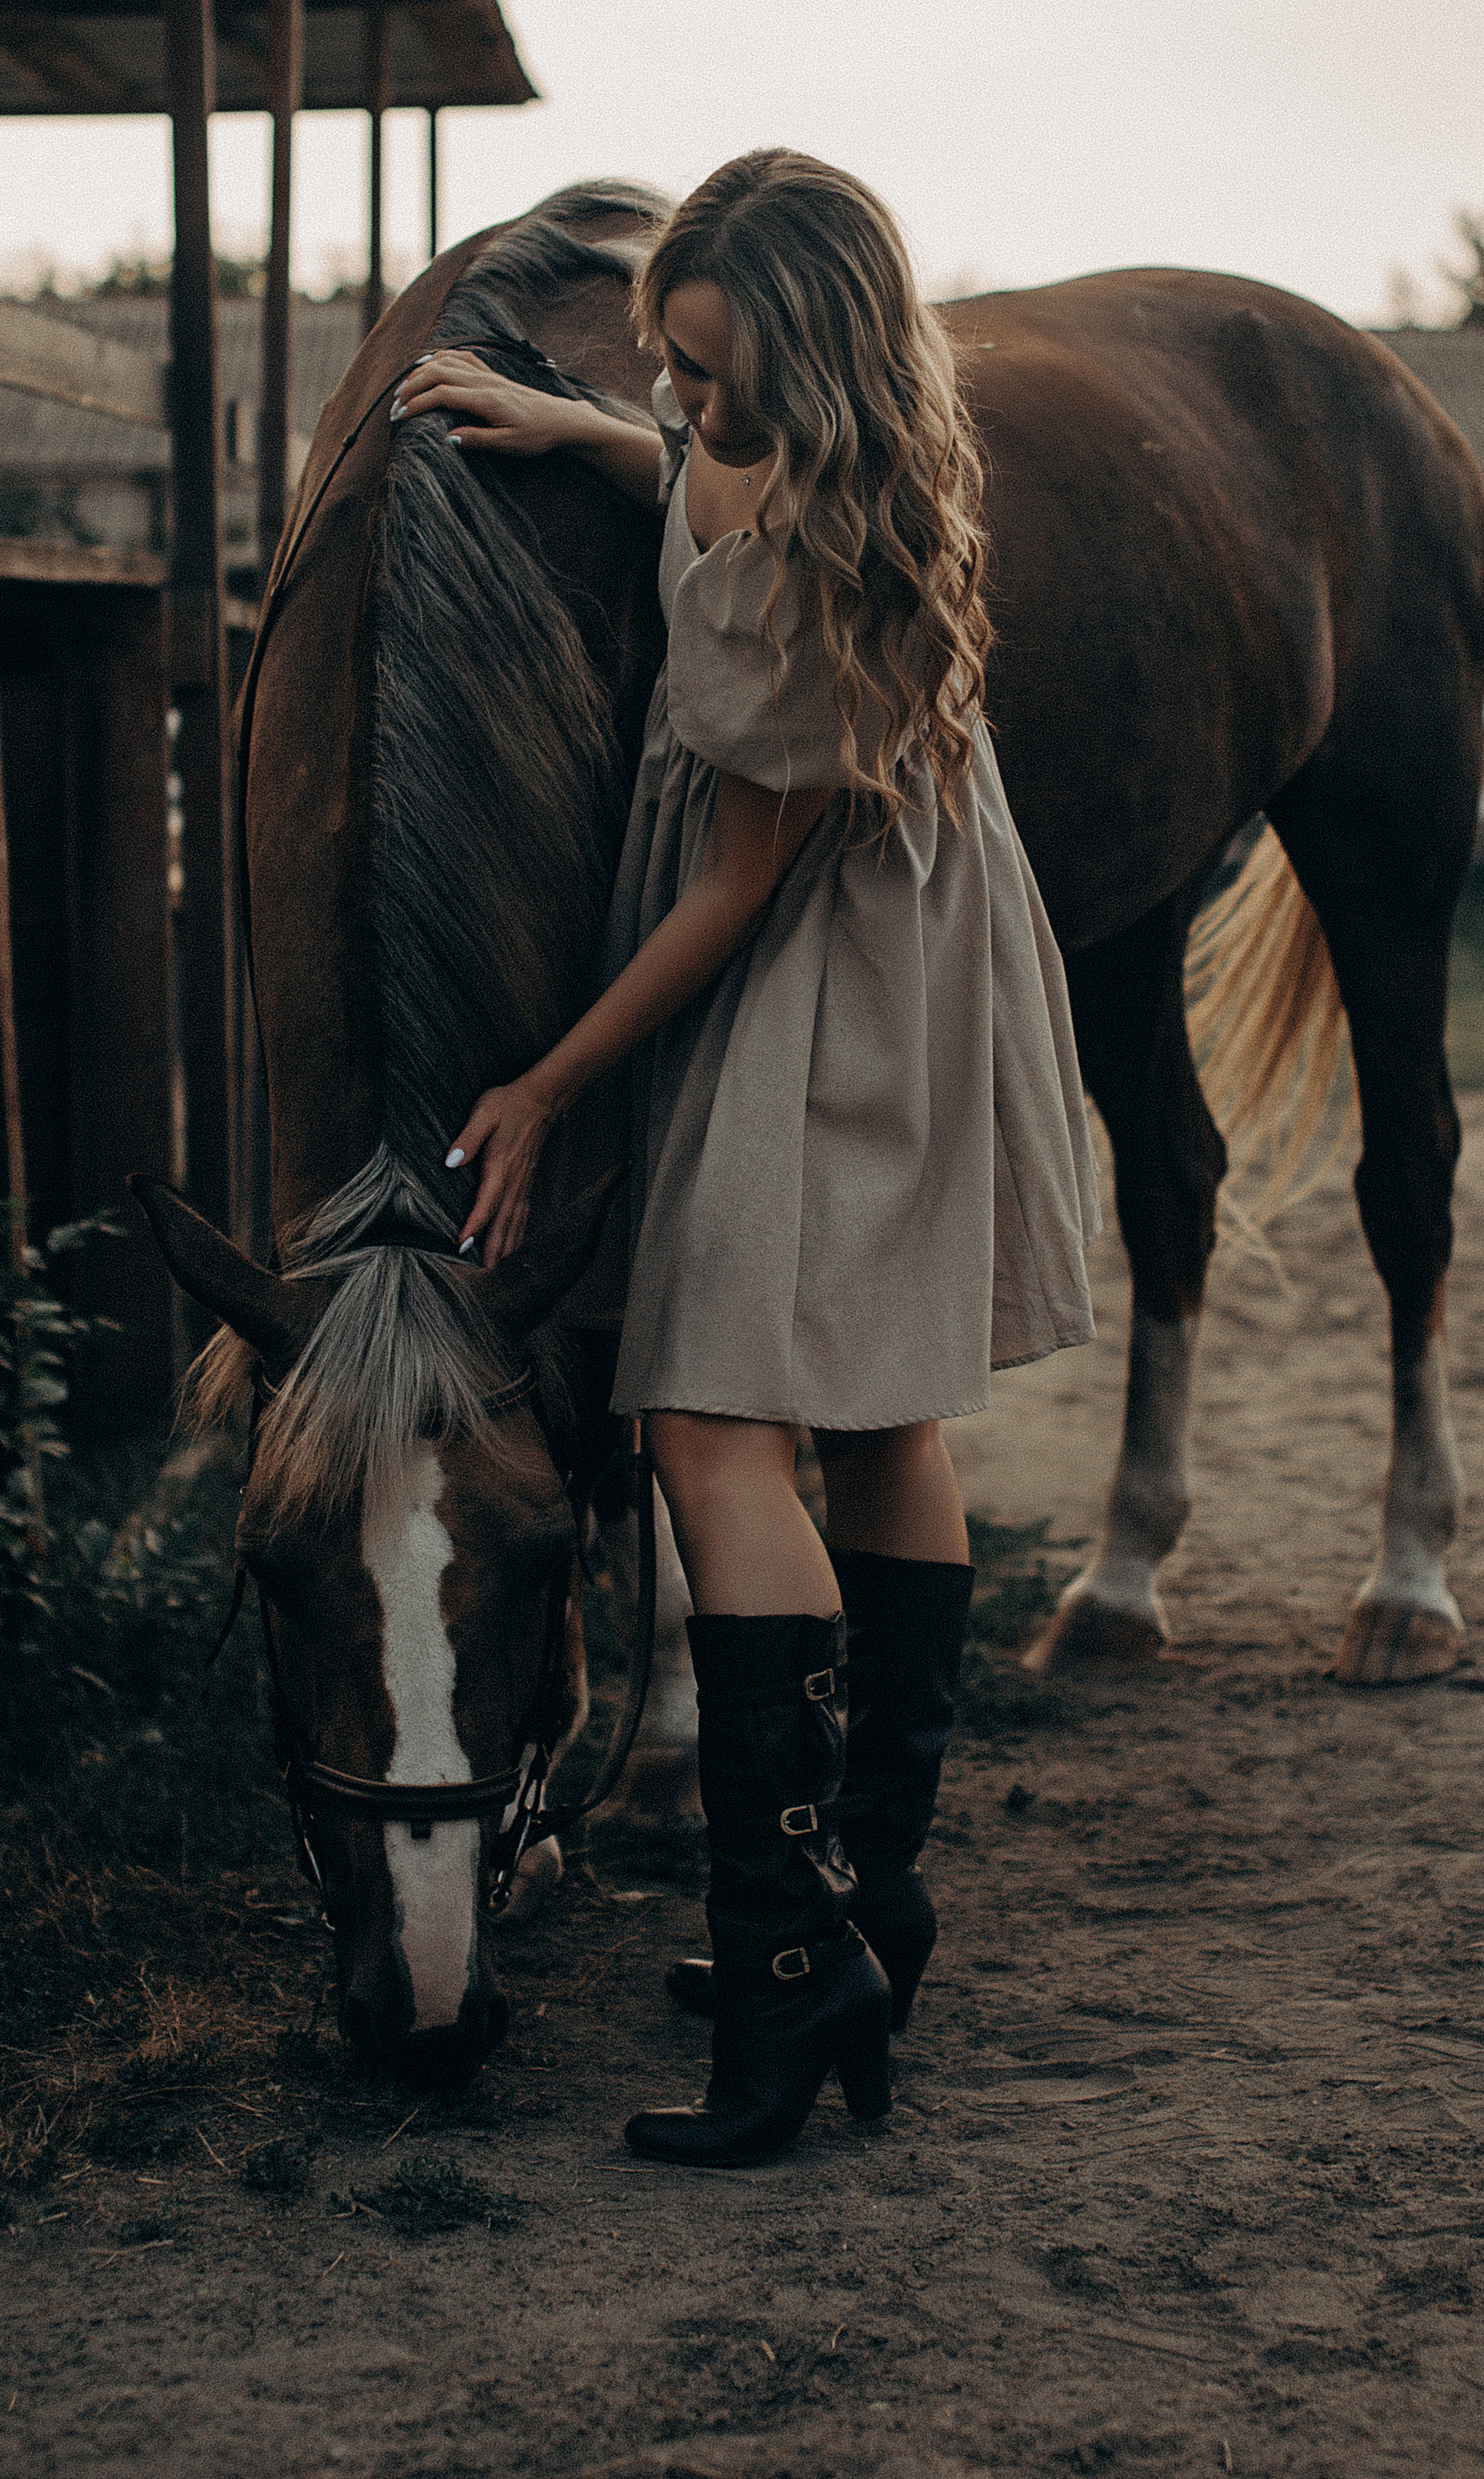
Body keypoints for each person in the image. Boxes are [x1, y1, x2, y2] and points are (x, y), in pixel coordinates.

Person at [391, 149, 1098, 2167]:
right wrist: (588, 431)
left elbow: (729, 885)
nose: (681, 402)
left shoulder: (795, 548)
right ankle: (867, 1898)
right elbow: (709, 487)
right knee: (881, 1411)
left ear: (809, 366)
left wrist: (550, 1081)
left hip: (813, 962)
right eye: (670, 368)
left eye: (710, 377)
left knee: (711, 1424)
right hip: (922, 926)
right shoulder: (836, 467)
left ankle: (790, 1969)